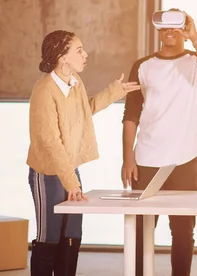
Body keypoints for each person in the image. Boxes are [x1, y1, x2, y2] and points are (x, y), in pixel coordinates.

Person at [27, 30, 140, 276]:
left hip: (70, 169)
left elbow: (84, 110)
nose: (85, 54)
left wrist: (114, 91)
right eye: (78, 50)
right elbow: (50, 142)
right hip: (47, 173)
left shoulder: (74, 83)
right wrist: (71, 182)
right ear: (62, 57)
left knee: (72, 234)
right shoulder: (44, 91)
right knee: (50, 236)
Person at [121, 10, 197, 276]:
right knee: (142, 230)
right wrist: (127, 159)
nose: (169, 32)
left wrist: (196, 38)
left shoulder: (195, 61)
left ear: (183, 29)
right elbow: (131, 114)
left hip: (186, 159)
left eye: (176, 27)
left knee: (182, 231)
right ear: (158, 30)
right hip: (146, 158)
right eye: (164, 27)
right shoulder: (142, 66)